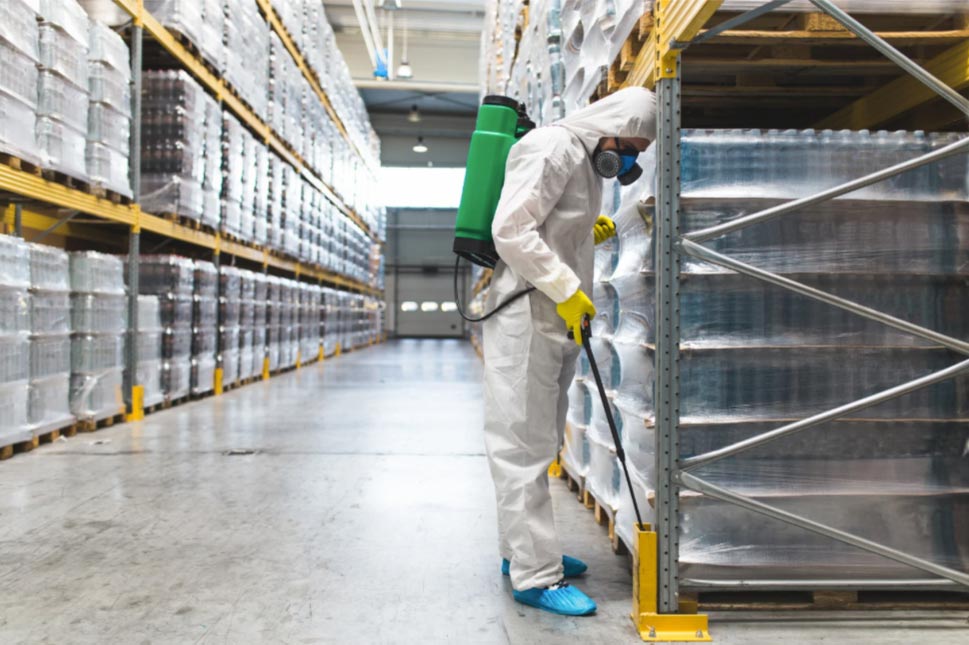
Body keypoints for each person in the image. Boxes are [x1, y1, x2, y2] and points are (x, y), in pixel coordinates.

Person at [482, 87, 656, 616]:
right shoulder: (553, 147)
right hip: (526, 316)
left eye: (636, 153)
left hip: (554, 316)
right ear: (611, 124)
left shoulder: (582, 161)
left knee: (541, 437)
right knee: (522, 447)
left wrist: (586, 236)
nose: (627, 160)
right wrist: (566, 286)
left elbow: (550, 229)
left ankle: (523, 550)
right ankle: (535, 576)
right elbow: (510, 230)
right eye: (627, 146)